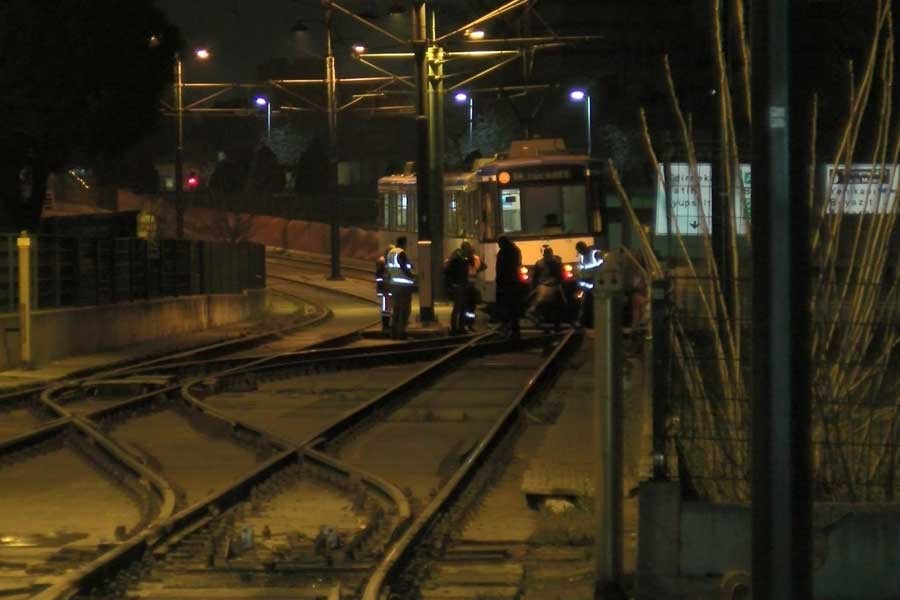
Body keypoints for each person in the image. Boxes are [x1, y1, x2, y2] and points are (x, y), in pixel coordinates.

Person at [528, 245, 565, 331]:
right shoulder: (556, 263)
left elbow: (535, 278)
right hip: (550, 288)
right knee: (557, 306)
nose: (548, 257)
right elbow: (559, 277)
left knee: (543, 305)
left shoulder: (541, 263)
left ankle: (546, 323)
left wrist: (534, 287)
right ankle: (555, 325)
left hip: (545, 288)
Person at [386, 237, 415, 340]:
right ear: (404, 243)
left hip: (394, 284)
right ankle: (402, 333)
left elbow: (389, 268)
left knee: (396, 310)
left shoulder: (390, 253)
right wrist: (414, 276)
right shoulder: (402, 253)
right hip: (404, 285)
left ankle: (394, 333)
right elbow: (406, 268)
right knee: (405, 310)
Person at [495, 236, 522, 340]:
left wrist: (499, 283)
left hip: (505, 285)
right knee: (514, 309)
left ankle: (505, 331)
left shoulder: (502, 253)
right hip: (514, 283)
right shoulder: (515, 251)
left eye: (499, 243)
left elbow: (500, 270)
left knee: (505, 308)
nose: (498, 245)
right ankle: (515, 331)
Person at [444, 241, 473, 335]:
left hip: (462, 284)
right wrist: (452, 284)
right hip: (458, 285)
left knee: (462, 307)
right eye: (468, 248)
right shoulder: (458, 257)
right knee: (458, 307)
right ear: (465, 248)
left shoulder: (462, 257)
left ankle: (460, 328)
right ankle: (455, 328)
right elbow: (449, 271)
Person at [575, 241, 604, 327]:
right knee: (586, 304)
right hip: (588, 285)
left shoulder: (594, 253)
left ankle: (595, 321)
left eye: (580, 250)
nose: (580, 253)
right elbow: (581, 268)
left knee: (595, 304)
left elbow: (602, 266)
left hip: (596, 283)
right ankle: (584, 321)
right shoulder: (582, 257)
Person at [464, 245, 487, 332]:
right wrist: (477, 271)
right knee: (471, 307)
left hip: (466, 285)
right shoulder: (477, 258)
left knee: (466, 307)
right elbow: (484, 266)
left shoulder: (465, 259)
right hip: (474, 285)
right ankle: (470, 324)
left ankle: (466, 324)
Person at [374, 244, 395, 332]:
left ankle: (388, 325)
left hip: (388, 289)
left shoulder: (388, 261)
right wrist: (382, 285)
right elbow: (379, 276)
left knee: (388, 308)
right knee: (386, 308)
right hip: (384, 289)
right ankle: (385, 326)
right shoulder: (382, 261)